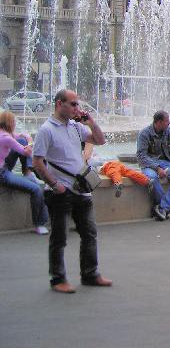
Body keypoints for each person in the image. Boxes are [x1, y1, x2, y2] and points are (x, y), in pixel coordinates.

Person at [32, 89, 112, 294]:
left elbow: (100, 140)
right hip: (60, 192)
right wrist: (54, 184)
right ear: (60, 104)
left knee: (90, 234)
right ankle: (58, 279)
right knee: (59, 238)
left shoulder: (76, 127)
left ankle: (90, 274)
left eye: (78, 104)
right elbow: (37, 162)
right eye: (73, 104)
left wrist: (91, 122)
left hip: (81, 189)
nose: (78, 108)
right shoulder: (46, 130)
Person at [0, 112, 48, 235]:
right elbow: (26, 152)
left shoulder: (3, 135)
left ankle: (28, 172)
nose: (15, 124)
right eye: (14, 122)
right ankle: (39, 224)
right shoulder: (6, 138)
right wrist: (30, 140)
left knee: (21, 139)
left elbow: (14, 137)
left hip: (4, 168)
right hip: (2, 174)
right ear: (10, 123)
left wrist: (21, 135)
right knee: (36, 189)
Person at [136, 110, 170, 221]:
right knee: (152, 178)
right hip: (149, 164)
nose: (169, 123)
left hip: (165, 162)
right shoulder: (144, 133)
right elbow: (141, 155)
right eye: (167, 121)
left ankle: (162, 207)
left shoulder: (169, 131)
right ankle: (164, 208)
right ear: (159, 122)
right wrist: (157, 168)